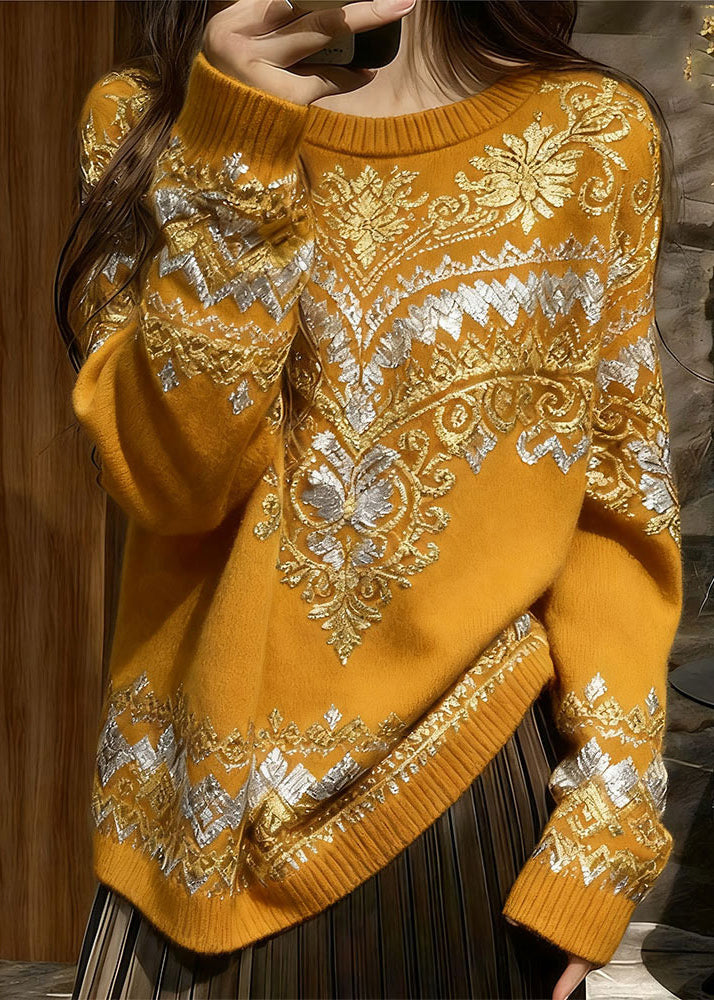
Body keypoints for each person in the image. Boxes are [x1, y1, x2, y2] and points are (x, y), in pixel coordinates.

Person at [56, 0, 684, 997]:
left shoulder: (589, 135)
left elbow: (616, 511)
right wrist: (237, 145)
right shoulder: (147, 119)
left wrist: (609, 828)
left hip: (470, 803)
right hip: (186, 830)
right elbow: (175, 485)